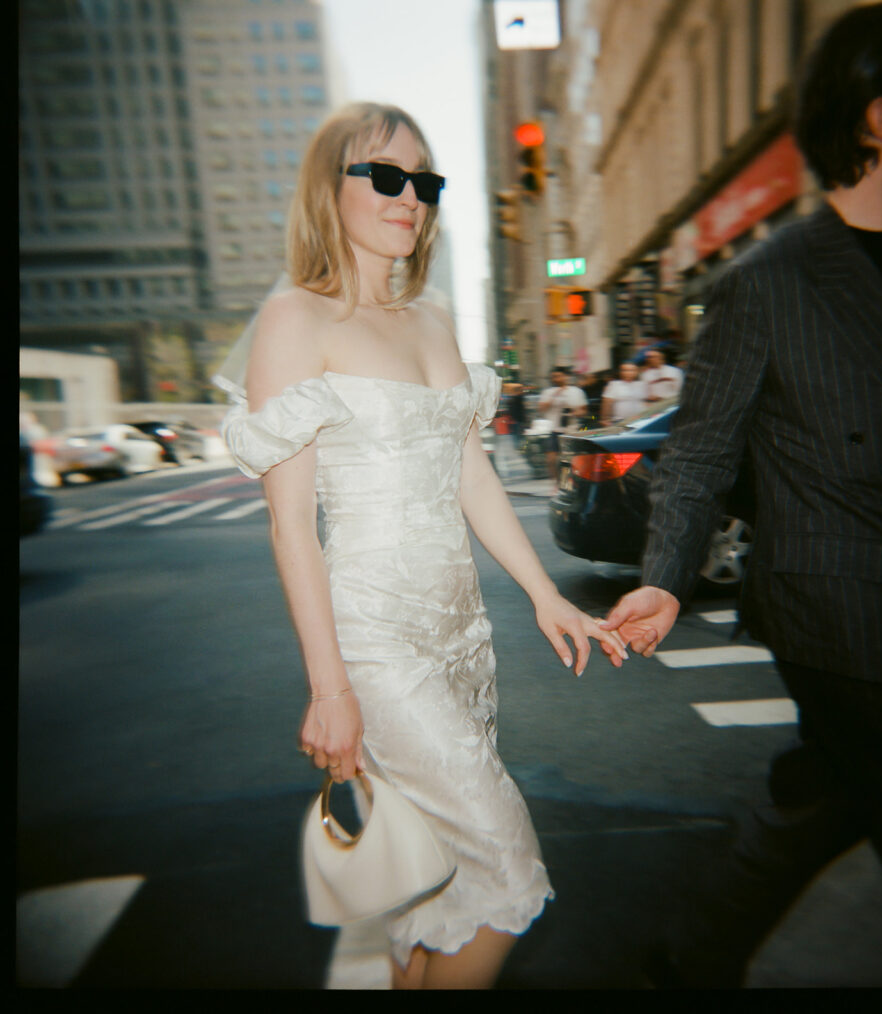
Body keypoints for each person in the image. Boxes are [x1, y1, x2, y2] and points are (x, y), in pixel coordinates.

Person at [602, 0, 882, 987]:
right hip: (844, 615)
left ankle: (679, 964)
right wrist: (663, 577)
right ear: (881, 118)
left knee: (818, 801)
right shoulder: (766, 283)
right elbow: (697, 452)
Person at [216, 102, 627, 990]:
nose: (412, 199)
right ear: (332, 188)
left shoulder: (431, 317)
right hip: (374, 643)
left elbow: (471, 476)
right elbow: (291, 524)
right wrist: (330, 689)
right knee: (508, 873)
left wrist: (546, 595)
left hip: (459, 636)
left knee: (434, 888)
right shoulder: (296, 320)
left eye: (426, 182)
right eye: (388, 178)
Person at [536, 367, 587, 481]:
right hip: (554, 429)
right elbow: (541, 409)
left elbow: (583, 410)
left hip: (572, 429)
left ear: (566, 376)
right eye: (554, 377)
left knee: (571, 459)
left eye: (559, 376)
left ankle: (572, 481)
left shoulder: (576, 391)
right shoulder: (548, 392)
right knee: (551, 459)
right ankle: (556, 482)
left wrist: (575, 413)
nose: (556, 379)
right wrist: (554, 396)